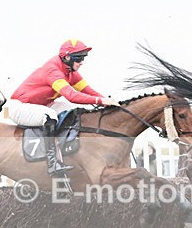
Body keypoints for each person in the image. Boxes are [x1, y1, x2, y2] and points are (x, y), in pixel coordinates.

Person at [9, 39, 118, 176]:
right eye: (79, 58)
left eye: (83, 58)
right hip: (19, 107)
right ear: (67, 57)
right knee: (50, 116)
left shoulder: (70, 71)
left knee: (73, 111)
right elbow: (71, 95)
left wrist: (107, 101)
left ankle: (68, 151)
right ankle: (52, 162)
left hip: (43, 104)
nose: (81, 62)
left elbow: (87, 90)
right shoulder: (53, 71)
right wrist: (100, 100)